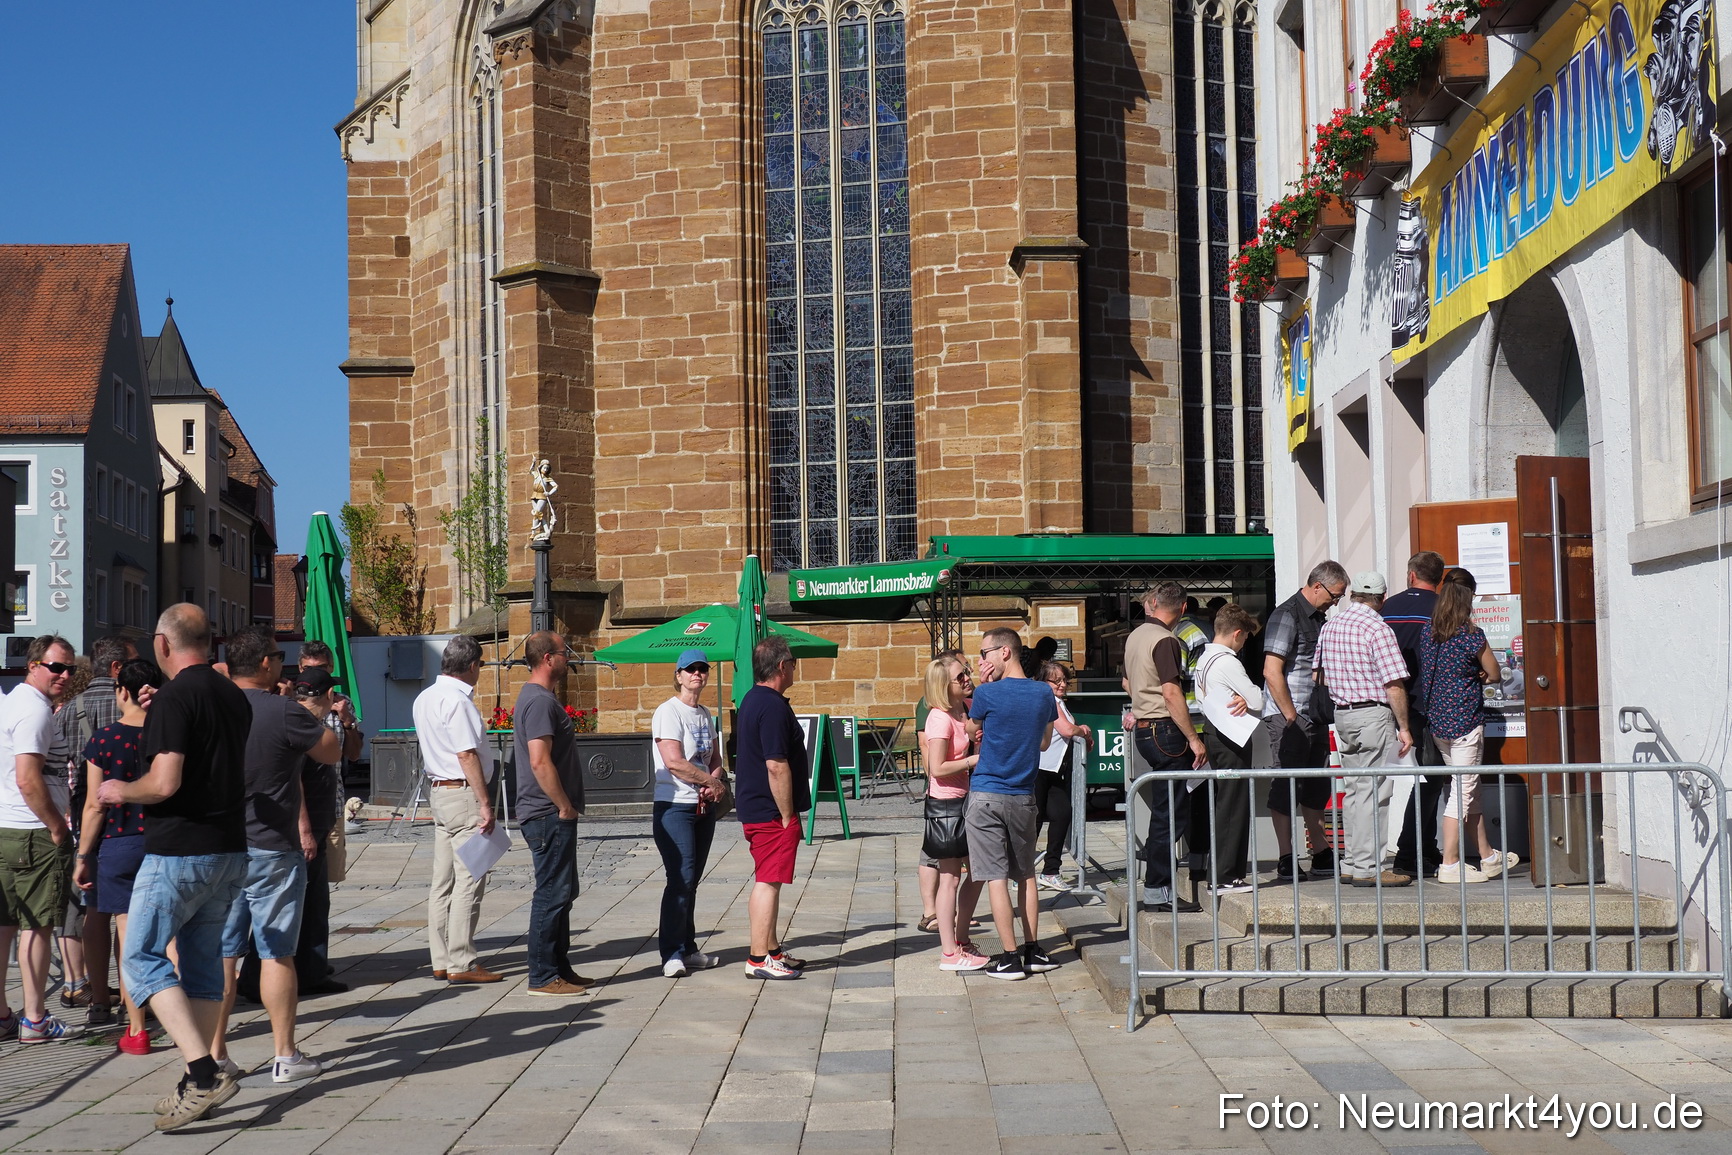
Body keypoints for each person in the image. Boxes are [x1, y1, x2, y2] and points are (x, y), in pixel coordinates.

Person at [101, 604, 250, 1131]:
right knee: (205, 964)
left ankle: (204, 1072)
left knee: (140, 956)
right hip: (229, 847)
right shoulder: (231, 694)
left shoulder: (175, 698)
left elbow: (164, 783)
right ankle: (199, 1078)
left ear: (163, 645)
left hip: (178, 849)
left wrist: (120, 789)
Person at [210, 628, 338, 1085]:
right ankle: (284, 1054)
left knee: (223, 954)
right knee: (275, 953)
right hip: (271, 846)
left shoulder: (211, 708)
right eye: (277, 656)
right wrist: (317, 712)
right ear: (265, 664)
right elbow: (329, 752)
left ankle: (215, 1052)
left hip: (221, 846)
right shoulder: (283, 711)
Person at [75, 658, 165, 1054]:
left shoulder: (104, 740)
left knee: (126, 934)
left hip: (119, 842)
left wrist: (82, 853)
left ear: (122, 691)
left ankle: (136, 1024)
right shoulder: (168, 736)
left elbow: (95, 805)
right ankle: (177, 1008)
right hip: (165, 839)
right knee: (169, 932)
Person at [965, 627, 1058, 980]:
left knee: (995, 878)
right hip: (1023, 794)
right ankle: (1033, 949)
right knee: (1027, 876)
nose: (982, 660)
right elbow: (1045, 744)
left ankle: (1008, 957)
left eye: (985, 653)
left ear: (1005, 652)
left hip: (987, 791)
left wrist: (979, 690)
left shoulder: (987, 693)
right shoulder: (1043, 694)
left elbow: (966, 732)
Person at [0, 635, 80, 1042]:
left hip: (6, 827)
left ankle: (2, 1016)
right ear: (33, 665)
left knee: (5, 924)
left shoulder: (9, 702)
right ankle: (34, 1018)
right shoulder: (35, 712)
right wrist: (56, 826)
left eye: (70, 669)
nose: (64, 676)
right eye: (56, 667)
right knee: (37, 926)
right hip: (32, 831)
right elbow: (28, 780)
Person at [1313, 572, 1415, 888]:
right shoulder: (1378, 628)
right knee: (1376, 792)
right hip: (1373, 714)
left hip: (1343, 715)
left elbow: (1318, 674)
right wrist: (1404, 727)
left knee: (1356, 791)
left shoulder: (1331, 625)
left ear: (1354, 593)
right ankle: (1369, 867)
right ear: (1382, 599)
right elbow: (1394, 684)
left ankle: (1352, 863)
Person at [57, 635, 137, 1028]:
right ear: (119, 668)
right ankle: (129, 998)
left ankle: (98, 1000)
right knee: (126, 913)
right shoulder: (137, 707)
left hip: (85, 820)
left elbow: (56, 766)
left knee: (94, 912)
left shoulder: (70, 709)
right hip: (130, 820)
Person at [412, 635, 501, 984]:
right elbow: (466, 755)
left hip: (439, 791)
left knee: (442, 881)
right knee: (469, 878)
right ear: (472, 665)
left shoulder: (425, 697)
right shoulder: (458, 701)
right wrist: (484, 802)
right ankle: (461, 961)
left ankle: (440, 958)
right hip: (461, 793)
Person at [1418, 580, 1513, 883]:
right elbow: (1496, 673)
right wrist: (1480, 673)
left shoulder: (1428, 634)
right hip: (1465, 724)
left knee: (1465, 791)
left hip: (1439, 725)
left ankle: (1488, 857)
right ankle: (1449, 864)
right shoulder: (1472, 636)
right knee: (1461, 794)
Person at [1260, 561, 1349, 881]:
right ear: (1316, 586)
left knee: (1315, 787)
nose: (1335, 601)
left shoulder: (1319, 618)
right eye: (1335, 596)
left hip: (1313, 716)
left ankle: (1321, 852)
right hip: (1290, 717)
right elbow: (1272, 671)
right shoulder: (1287, 615)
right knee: (1286, 786)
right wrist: (1290, 717)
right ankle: (1286, 856)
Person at [514, 630, 590, 996]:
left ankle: (559, 966)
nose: (569, 657)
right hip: (547, 813)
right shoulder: (540, 702)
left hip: (550, 813)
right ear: (547, 659)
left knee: (564, 891)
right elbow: (539, 761)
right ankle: (542, 975)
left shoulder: (538, 698)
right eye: (564, 652)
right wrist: (563, 806)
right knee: (551, 893)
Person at [734, 636, 811, 980]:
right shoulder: (773, 706)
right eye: (793, 662)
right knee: (768, 882)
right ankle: (758, 958)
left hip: (755, 806)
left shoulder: (753, 699)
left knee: (767, 879)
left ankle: (772, 950)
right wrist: (786, 815)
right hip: (770, 811)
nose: (795, 667)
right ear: (782, 666)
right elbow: (776, 764)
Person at [1126, 584, 1206, 913]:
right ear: (1184, 608)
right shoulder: (1166, 640)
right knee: (1170, 814)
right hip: (1165, 730)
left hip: (1147, 729)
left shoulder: (1136, 636)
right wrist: (1193, 738)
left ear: (1154, 603)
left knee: (1166, 811)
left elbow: (1128, 682)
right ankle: (1159, 888)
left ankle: (1158, 886)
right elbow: (1172, 693)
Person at [651, 650, 726, 978]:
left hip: (702, 806)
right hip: (674, 807)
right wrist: (709, 781)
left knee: (691, 880)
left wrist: (715, 782)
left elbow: (716, 758)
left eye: (702, 669)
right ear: (679, 675)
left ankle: (689, 948)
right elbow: (674, 761)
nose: (698, 674)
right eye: (691, 669)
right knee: (679, 879)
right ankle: (671, 953)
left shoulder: (705, 713)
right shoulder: (668, 712)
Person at [292, 641, 360, 994]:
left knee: (320, 891)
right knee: (307, 895)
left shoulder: (339, 706)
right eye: (310, 668)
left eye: (323, 669)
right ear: (300, 668)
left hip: (331, 808)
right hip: (303, 816)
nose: (316, 676)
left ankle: (311, 961)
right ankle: (308, 968)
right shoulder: (291, 706)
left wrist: (347, 721)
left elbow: (353, 753)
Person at [1380, 551, 1447, 880]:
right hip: (1428, 705)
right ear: (1440, 578)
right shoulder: (1442, 609)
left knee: (1419, 780)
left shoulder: (1386, 608)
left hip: (1390, 704)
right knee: (1431, 778)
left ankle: (1424, 847)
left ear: (1411, 576)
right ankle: (1409, 854)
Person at [1190, 605, 1263, 893]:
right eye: (1245, 637)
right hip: (1231, 736)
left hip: (1213, 731)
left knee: (1225, 804)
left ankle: (1221, 873)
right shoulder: (1229, 662)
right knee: (1234, 805)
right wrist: (1250, 698)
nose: (1245, 643)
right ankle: (1225, 875)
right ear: (1237, 633)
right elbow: (1256, 699)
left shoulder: (1205, 657)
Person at [921, 653, 985, 972]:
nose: (966, 678)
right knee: (949, 877)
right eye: (960, 676)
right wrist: (972, 761)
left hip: (965, 799)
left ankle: (961, 939)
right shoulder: (939, 718)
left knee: (979, 871)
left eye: (966, 672)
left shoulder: (966, 709)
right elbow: (936, 768)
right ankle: (949, 951)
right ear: (944, 685)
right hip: (945, 804)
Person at [1035, 662, 1090, 893]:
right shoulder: (1048, 702)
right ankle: (1022, 872)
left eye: (1064, 680)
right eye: (1055, 680)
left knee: (1061, 814)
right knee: (1033, 822)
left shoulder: (1060, 704)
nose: (1062, 684)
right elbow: (1067, 730)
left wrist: (1084, 736)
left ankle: (1050, 871)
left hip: (1055, 770)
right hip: (1039, 769)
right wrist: (1084, 730)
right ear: (1043, 683)